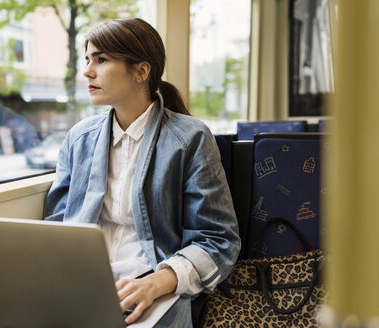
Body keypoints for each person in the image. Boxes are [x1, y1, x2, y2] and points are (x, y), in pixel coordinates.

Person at [43, 18, 240, 327]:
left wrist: (158, 282)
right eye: (87, 60)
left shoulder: (190, 138)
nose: (87, 71)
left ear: (141, 71)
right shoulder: (78, 139)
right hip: (81, 282)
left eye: (102, 59)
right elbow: (54, 227)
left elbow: (218, 239)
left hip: (153, 286)